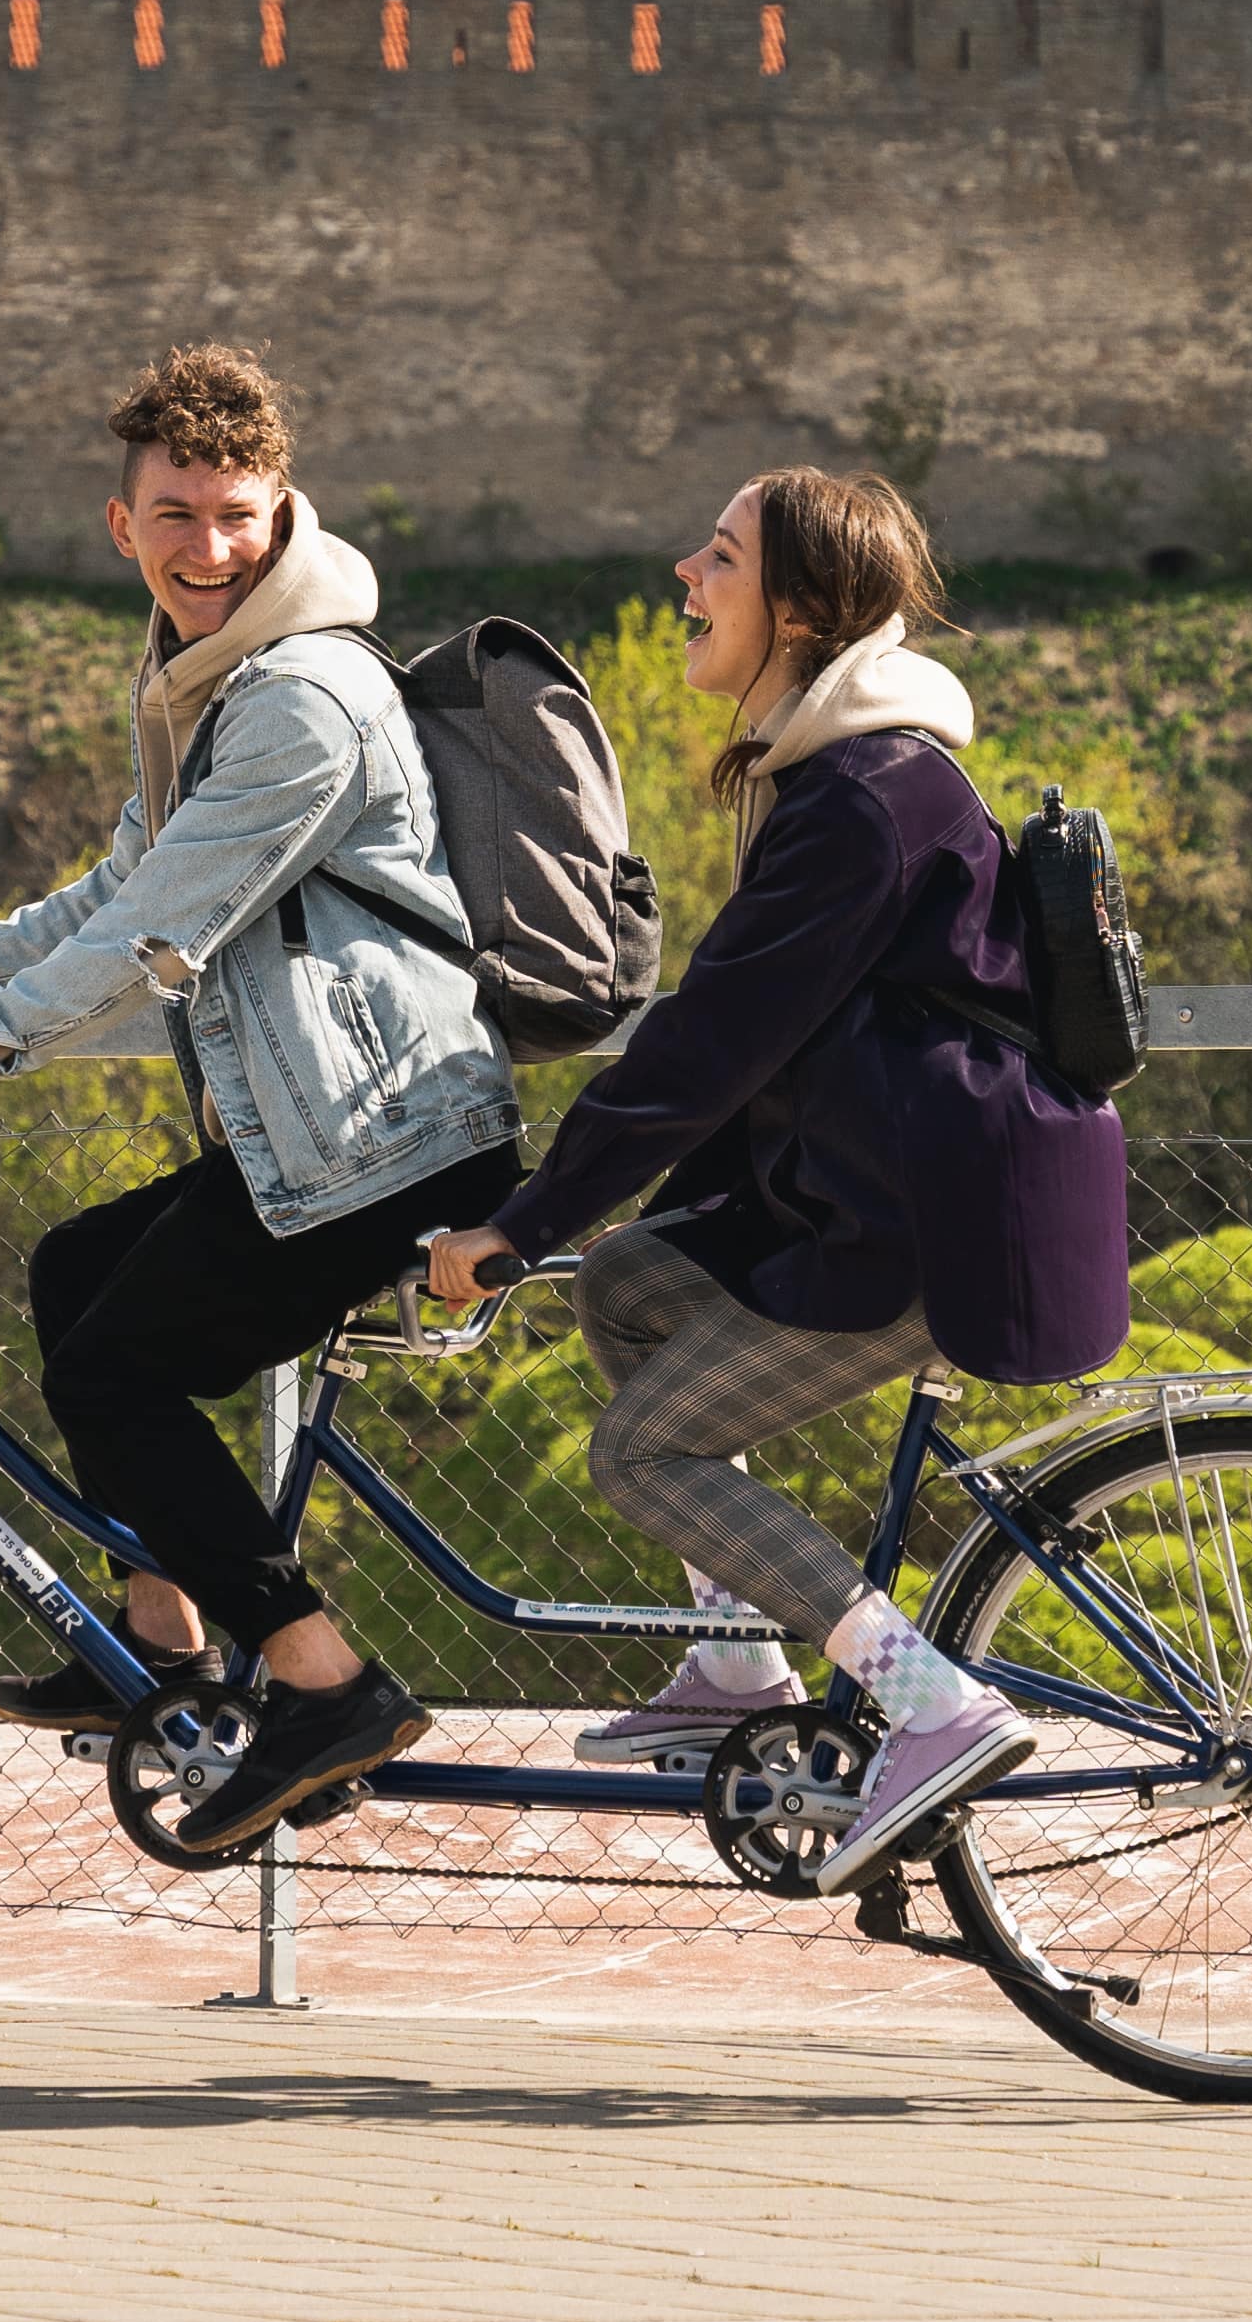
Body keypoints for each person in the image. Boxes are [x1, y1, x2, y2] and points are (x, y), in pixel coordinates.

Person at [0, 342, 521, 1852]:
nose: (211, 548)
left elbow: (150, 941)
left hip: (392, 1143)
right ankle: (174, 1643)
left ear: (284, 515)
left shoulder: (301, 700)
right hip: (319, 1137)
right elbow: (119, 884)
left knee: (117, 1374)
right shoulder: (205, 684)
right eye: (178, 515)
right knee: (75, 1277)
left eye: (240, 516)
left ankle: (326, 1686)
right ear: (122, 526)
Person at [419, 465, 1128, 1885]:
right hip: (890, 1194)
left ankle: (931, 1705)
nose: (688, 572)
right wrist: (586, 1227)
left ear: (801, 610)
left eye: (723, 557)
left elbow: (707, 1048)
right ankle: (738, 1669)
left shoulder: (872, 797)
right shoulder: (844, 774)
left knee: (644, 1451)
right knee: (625, 1285)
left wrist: (517, 1222)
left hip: (939, 1221)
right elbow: (771, 1054)